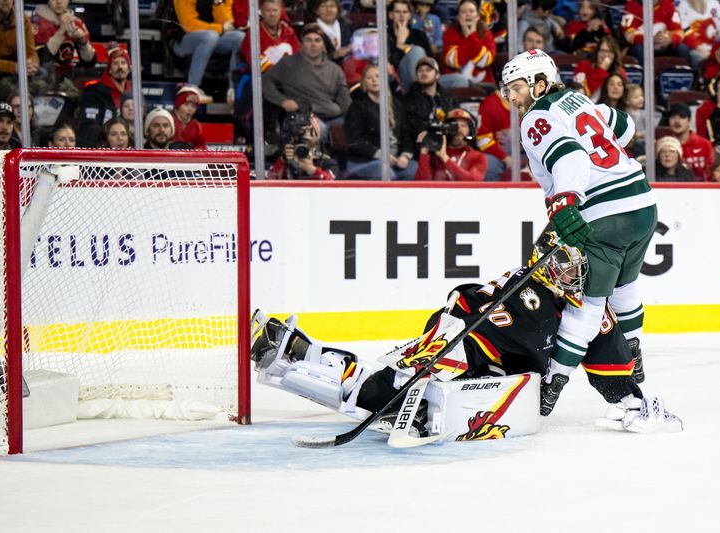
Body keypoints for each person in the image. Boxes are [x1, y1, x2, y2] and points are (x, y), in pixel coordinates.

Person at [251, 232, 682, 437]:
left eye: (578, 265)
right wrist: (451, 329)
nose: (576, 273)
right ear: (546, 262)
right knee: (401, 380)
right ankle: (305, 356)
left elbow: (609, 356)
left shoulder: (587, 306)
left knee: (412, 389)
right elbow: (463, 299)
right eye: (567, 264)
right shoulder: (522, 283)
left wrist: (632, 399)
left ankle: (317, 363)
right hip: (477, 351)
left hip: (507, 379)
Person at [500, 49, 657, 414]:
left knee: (586, 304)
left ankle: (552, 385)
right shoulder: (578, 99)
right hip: (642, 204)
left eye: (518, 87)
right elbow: (625, 127)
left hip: (604, 215)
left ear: (540, 83)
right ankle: (634, 352)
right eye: (507, 90)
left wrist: (565, 202)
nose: (512, 97)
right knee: (625, 285)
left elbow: (569, 156)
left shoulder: (535, 118)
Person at [262, 23, 351, 143]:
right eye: (308, 40)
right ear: (301, 44)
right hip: (303, 117)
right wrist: (282, 101)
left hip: (333, 116)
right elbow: (265, 81)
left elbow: (345, 103)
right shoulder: (288, 64)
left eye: (317, 40)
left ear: (323, 45)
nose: (313, 44)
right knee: (320, 131)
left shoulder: (335, 70)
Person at [344, 64, 416, 180]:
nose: (374, 80)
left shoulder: (396, 104)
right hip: (365, 161)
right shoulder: (357, 106)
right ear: (364, 83)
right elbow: (355, 141)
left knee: (414, 169)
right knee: (385, 173)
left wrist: (405, 156)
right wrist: (382, 155)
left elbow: (406, 135)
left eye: (378, 76)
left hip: (395, 160)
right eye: (369, 78)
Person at [172, 0, 244, 99]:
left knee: (239, 37)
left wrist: (217, 4)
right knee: (210, 36)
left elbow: (228, 23)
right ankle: (193, 87)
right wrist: (220, 29)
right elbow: (188, 25)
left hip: (211, 39)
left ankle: (233, 89)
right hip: (184, 41)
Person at [30, 0, 96, 96]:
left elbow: (90, 63)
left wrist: (83, 41)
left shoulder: (76, 23)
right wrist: (61, 32)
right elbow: (39, 60)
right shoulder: (34, 23)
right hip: (37, 79)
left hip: (65, 80)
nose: (59, 2)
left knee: (78, 97)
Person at [402, 56, 459, 162]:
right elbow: (413, 130)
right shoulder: (409, 100)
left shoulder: (449, 98)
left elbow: (457, 124)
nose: (423, 73)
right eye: (420, 70)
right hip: (421, 152)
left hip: (449, 149)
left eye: (428, 70)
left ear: (437, 75)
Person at [76, 44, 132, 148]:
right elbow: (88, 128)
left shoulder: (135, 93)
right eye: (115, 63)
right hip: (101, 148)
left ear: (129, 69)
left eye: (123, 63)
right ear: (109, 69)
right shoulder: (94, 92)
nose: (120, 67)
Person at [415, 108, 487, 181]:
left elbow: (473, 182)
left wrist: (445, 158)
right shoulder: (435, 155)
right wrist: (424, 153)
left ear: (470, 131)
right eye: (454, 125)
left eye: (463, 125)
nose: (458, 129)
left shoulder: (478, 157)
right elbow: (421, 185)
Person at [265, 113, 339, 180]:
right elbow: (270, 181)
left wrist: (312, 170)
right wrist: (283, 160)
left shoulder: (326, 162)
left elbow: (331, 184)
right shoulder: (286, 161)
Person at [442, 0, 497, 86]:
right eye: (463, 12)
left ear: (478, 16)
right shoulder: (449, 34)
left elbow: (484, 62)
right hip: (456, 83)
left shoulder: (487, 34)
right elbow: (455, 62)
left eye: (471, 11)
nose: (468, 14)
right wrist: (469, 37)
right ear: (458, 17)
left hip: (483, 82)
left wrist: (471, 35)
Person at [621, 0, 688, 65]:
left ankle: (682, 75)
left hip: (663, 46)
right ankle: (643, 75)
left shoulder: (668, 4)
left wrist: (670, 39)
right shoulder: (632, 5)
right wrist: (649, 40)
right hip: (642, 46)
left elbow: (679, 31)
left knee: (682, 48)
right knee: (639, 48)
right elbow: (629, 33)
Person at [388, 0, 433, 92]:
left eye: (405, 12)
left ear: (409, 15)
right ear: (390, 15)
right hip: (398, 81)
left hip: (426, 76)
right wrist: (400, 43)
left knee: (458, 79)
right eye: (397, 12)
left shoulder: (419, 35)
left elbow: (431, 61)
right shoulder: (385, 36)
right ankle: (418, 93)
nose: (401, 15)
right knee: (417, 51)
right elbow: (391, 65)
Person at [667, 103, 713, 181]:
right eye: (673, 117)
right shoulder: (663, 146)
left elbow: (711, 173)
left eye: (682, 117)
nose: (677, 121)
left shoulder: (704, 144)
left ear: (689, 121)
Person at [572, 35, 626, 100]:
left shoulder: (620, 71)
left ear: (614, 55)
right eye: (603, 51)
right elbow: (581, 94)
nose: (606, 55)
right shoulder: (583, 66)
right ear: (597, 52)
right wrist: (601, 70)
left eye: (610, 52)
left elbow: (623, 98)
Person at [678, 0, 720, 69]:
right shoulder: (683, 6)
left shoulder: (713, 3)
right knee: (699, 59)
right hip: (697, 49)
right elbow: (685, 31)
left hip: (717, 47)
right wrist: (700, 49)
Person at [475, 88, 512, 181]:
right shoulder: (489, 104)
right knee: (489, 164)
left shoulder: (530, 100)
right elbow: (482, 140)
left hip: (528, 152)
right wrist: (505, 157)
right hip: (501, 154)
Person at [310, 0, 352, 64]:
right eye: (324, 6)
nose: (328, 10)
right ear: (317, 11)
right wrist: (334, 55)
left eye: (332, 6)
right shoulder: (311, 29)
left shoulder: (345, 25)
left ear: (338, 10)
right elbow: (310, 57)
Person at [172, 85, 207, 149]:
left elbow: (202, 147)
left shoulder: (196, 125)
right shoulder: (169, 121)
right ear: (178, 105)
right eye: (186, 105)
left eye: (193, 106)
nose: (190, 109)